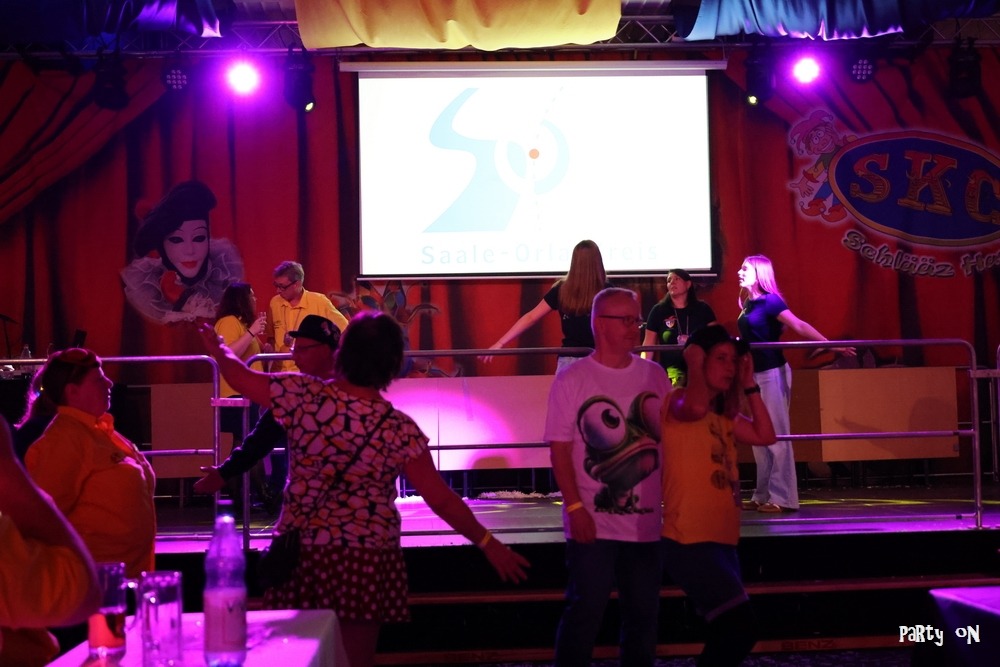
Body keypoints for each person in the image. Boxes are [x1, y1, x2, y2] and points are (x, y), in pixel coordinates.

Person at [197, 311, 530, 667]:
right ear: (392, 366)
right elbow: (442, 500)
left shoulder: (301, 395)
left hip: (302, 552)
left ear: (342, 353)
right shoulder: (398, 429)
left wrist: (219, 349)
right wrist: (488, 542)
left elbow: (240, 377)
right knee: (355, 660)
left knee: (296, 657)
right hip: (366, 556)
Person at [544, 287, 670, 667]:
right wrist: (575, 508)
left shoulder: (654, 375)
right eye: (627, 320)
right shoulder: (573, 379)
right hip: (592, 525)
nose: (636, 328)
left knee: (643, 618)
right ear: (600, 324)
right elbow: (560, 449)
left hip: (645, 525)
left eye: (637, 320)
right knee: (585, 612)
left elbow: (669, 441)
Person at [660, 325, 777, 667]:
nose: (730, 367)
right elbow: (696, 406)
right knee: (740, 628)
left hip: (722, 540)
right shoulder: (677, 401)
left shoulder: (724, 416)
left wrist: (749, 384)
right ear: (699, 359)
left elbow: (765, 435)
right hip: (688, 541)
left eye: (733, 360)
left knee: (726, 631)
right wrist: (693, 360)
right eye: (721, 358)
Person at [23, 349, 157, 578]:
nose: (109, 383)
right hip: (95, 582)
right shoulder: (65, 440)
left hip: (125, 578)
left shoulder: (101, 431)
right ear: (72, 391)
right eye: (98, 379)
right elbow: (43, 518)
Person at [737, 255, 854, 513]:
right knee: (758, 436)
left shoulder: (771, 301)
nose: (739, 272)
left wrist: (831, 345)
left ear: (759, 272)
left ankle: (783, 498)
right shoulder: (748, 303)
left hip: (772, 372)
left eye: (745, 268)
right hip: (754, 374)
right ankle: (762, 494)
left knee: (777, 434)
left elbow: (799, 325)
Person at [194, 314, 340, 498]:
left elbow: (239, 378)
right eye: (294, 349)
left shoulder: (302, 390)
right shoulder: (358, 392)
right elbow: (261, 438)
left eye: (302, 350)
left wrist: (220, 349)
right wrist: (225, 472)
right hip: (334, 508)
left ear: (325, 351)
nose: (294, 357)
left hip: (322, 507)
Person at [1, 416, 102, 667]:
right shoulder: (61, 437)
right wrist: (6, 468)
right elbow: (53, 499)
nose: (109, 389)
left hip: (85, 573)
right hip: (77, 570)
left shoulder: (103, 433)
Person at [121, 180, 244, 323]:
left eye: (199, 238)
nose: (190, 251)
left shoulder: (223, 275)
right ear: (161, 245)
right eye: (176, 240)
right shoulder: (149, 290)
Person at [487, 239, 610, 371]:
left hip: (570, 361)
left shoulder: (562, 289)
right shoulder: (608, 291)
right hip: (598, 359)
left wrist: (500, 343)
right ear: (598, 262)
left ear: (574, 263)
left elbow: (531, 317)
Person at [213, 282, 274, 509]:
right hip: (235, 393)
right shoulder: (229, 322)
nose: (255, 300)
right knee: (248, 444)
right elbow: (228, 354)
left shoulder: (240, 323)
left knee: (243, 444)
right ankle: (263, 495)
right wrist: (251, 332)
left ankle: (241, 498)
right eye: (252, 296)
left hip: (246, 392)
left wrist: (265, 349)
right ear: (242, 299)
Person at [267, 260, 349, 372]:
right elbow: (271, 337)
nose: (278, 290)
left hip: (306, 374)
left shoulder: (319, 302)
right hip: (279, 373)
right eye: (276, 285)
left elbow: (345, 330)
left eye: (282, 287)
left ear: (297, 284)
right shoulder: (274, 302)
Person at [642, 268, 717, 386]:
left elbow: (716, 341)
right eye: (669, 280)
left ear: (688, 284)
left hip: (700, 372)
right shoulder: (658, 311)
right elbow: (648, 346)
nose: (672, 282)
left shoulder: (703, 309)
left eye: (677, 279)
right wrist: (642, 369)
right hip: (669, 377)